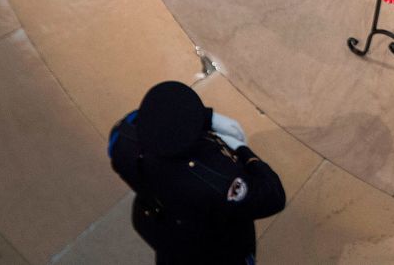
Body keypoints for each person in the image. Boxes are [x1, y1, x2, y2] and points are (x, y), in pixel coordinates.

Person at [107, 81, 286, 263]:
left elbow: (148, 116)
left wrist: (206, 117)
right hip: (216, 249)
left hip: (163, 229)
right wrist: (243, 151)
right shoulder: (217, 179)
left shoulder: (123, 141)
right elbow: (274, 196)